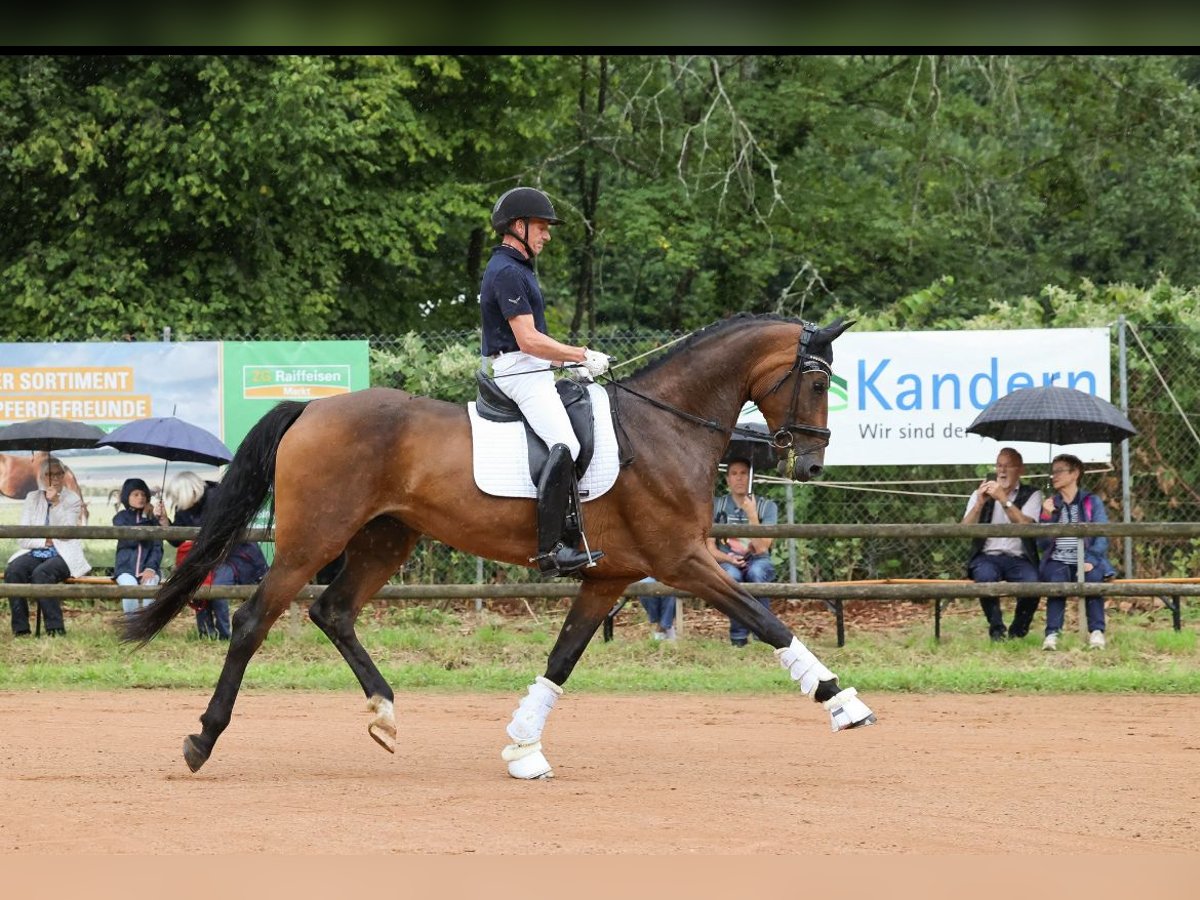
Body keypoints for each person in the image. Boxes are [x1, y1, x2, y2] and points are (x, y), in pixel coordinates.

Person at [481, 186, 610, 577]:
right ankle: (551, 550)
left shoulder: (518, 269)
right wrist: (580, 354)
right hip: (519, 371)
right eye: (541, 227)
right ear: (517, 226)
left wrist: (567, 365)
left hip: (532, 368)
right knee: (566, 444)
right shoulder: (506, 271)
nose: (546, 235)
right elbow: (528, 340)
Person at [163, 471, 268, 640]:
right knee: (199, 591)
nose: (177, 502)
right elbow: (178, 540)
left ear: (189, 492)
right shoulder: (183, 508)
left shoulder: (219, 498)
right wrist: (165, 523)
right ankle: (206, 634)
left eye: (178, 497)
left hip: (235, 555)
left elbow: (224, 529)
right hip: (206, 558)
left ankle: (225, 635)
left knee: (218, 589)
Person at [1037, 454, 1117, 651]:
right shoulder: (1050, 504)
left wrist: (1090, 559)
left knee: (1093, 577)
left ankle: (1097, 632)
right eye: (1052, 471)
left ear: (1075, 474)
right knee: (1057, 582)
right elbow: (1042, 543)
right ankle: (1052, 633)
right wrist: (1047, 517)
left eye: (1059, 471)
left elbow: (1102, 534)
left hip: (1086, 558)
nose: (1053, 476)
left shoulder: (1091, 502)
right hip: (1058, 559)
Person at [962, 447, 1043, 641]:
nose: (1002, 471)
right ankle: (997, 630)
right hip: (987, 556)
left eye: (1008, 466)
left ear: (1020, 470)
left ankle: (1017, 632)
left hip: (1019, 558)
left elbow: (1026, 524)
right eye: (999, 465)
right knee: (985, 578)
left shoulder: (1032, 494)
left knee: (1033, 584)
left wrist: (1004, 500)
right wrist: (980, 503)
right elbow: (965, 529)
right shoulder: (980, 493)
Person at [5, 456, 90, 636]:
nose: (57, 478)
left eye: (60, 473)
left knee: (42, 574)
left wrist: (57, 503)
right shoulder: (32, 498)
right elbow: (23, 537)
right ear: (42, 477)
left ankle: (55, 629)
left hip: (64, 555)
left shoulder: (72, 499)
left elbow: (66, 534)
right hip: (36, 551)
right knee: (14, 571)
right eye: (51, 474)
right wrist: (45, 541)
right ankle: (21, 630)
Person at [706, 457, 777, 646]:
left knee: (757, 572)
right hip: (727, 560)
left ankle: (763, 635)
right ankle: (738, 638)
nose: (739, 478)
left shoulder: (767, 506)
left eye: (744, 473)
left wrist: (752, 514)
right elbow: (710, 548)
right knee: (731, 577)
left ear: (751, 477)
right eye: (734, 474)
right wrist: (727, 558)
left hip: (757, 559)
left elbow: (762, 548)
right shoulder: (717, 506)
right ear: (727, 479)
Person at [112, 477, 163, 617]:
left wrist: (151, 568)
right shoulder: (120, 518)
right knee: (130, 589)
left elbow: (158, 547)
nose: (140, 498)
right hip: (126, 569)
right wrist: (146, 516)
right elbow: (133, 538)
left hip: (149, 569)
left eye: (143, 495)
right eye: (135, 494)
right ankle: (131, 624)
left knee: (150, 588)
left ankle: (147, 625)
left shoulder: (153, 521)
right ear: (126, 497)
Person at [635, 576, 677, 641]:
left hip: (670, 578)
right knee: (645, 590)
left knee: (670, 594)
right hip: (648, 577)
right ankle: (666, 629)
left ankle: (660, 631)